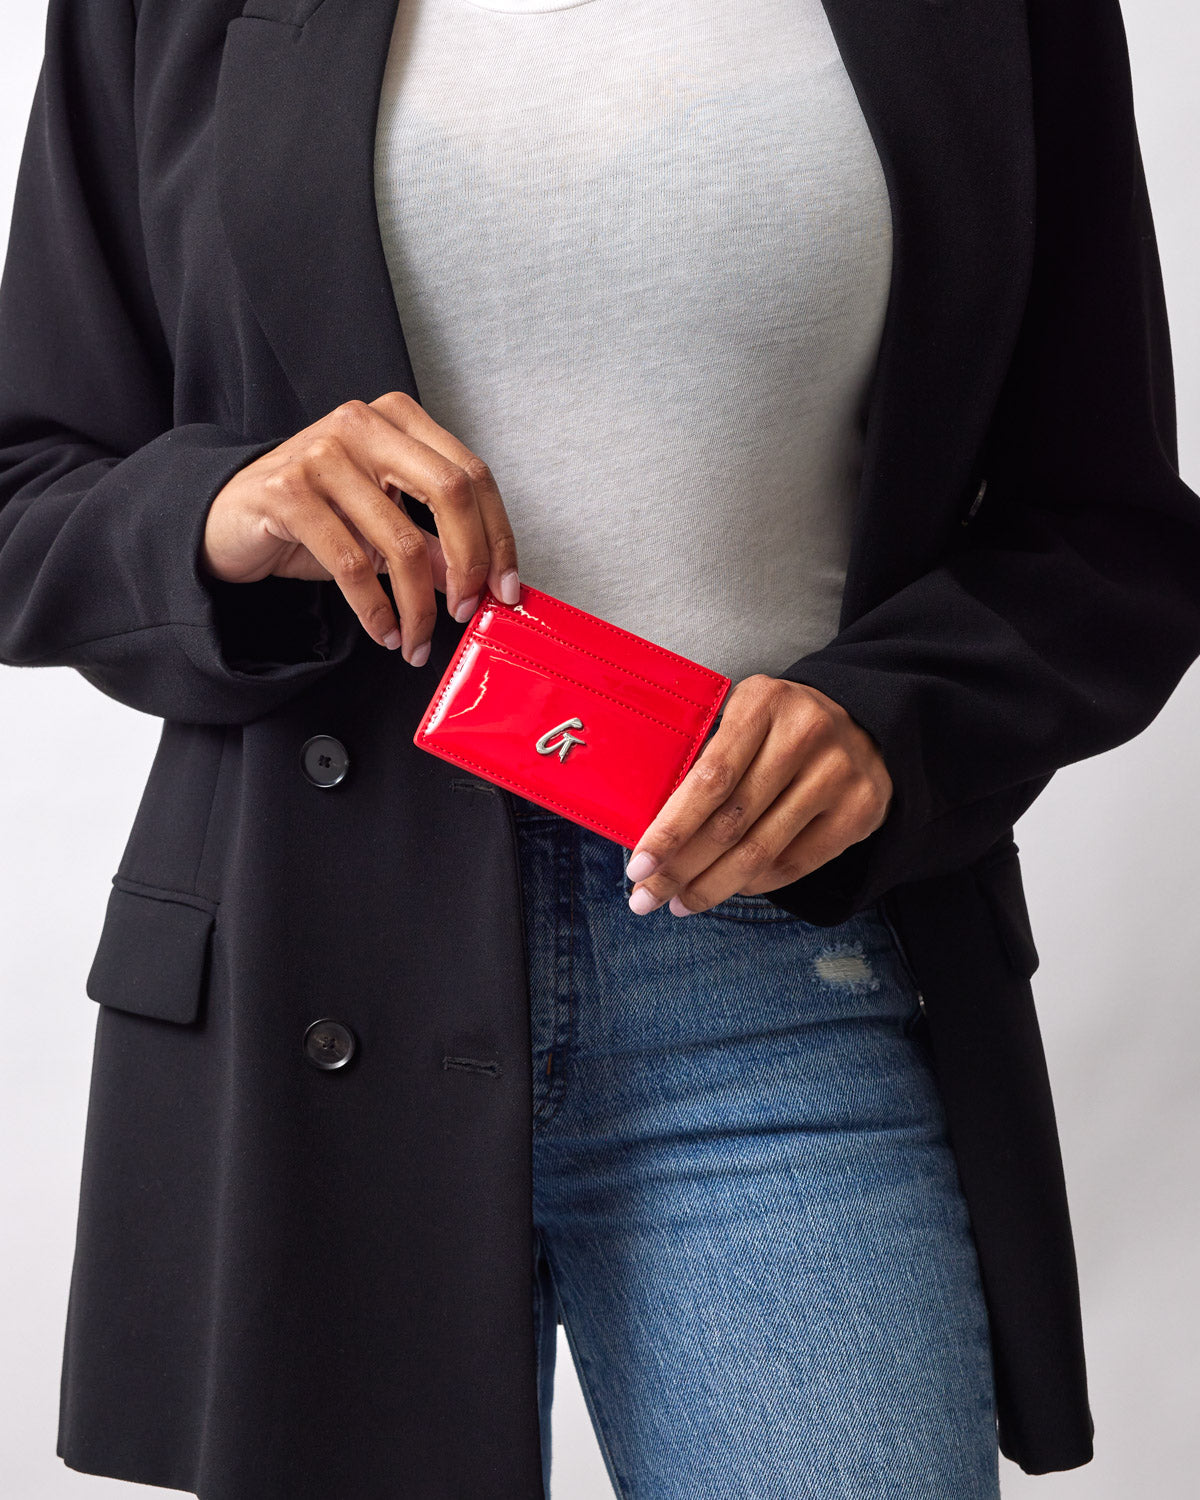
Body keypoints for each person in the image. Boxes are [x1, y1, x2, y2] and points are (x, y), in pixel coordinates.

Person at [0, 0, 1197, 1496]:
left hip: (777, 982)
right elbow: (25, 488)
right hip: (313, 975)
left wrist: (896, 726)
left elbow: (1108, 534)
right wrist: (227, 513)